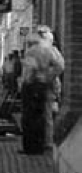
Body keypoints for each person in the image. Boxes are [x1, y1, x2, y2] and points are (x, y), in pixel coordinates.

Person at [20, 26, 64, 154]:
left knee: (33, 116)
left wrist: (31, 80)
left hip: (34, 85)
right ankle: (47, 142)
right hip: (47, 85)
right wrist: (49, 76)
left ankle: (35, 144)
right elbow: (60, 66)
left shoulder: (32, 51)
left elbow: (29, 71)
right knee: (47, 114)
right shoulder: (52, 50)